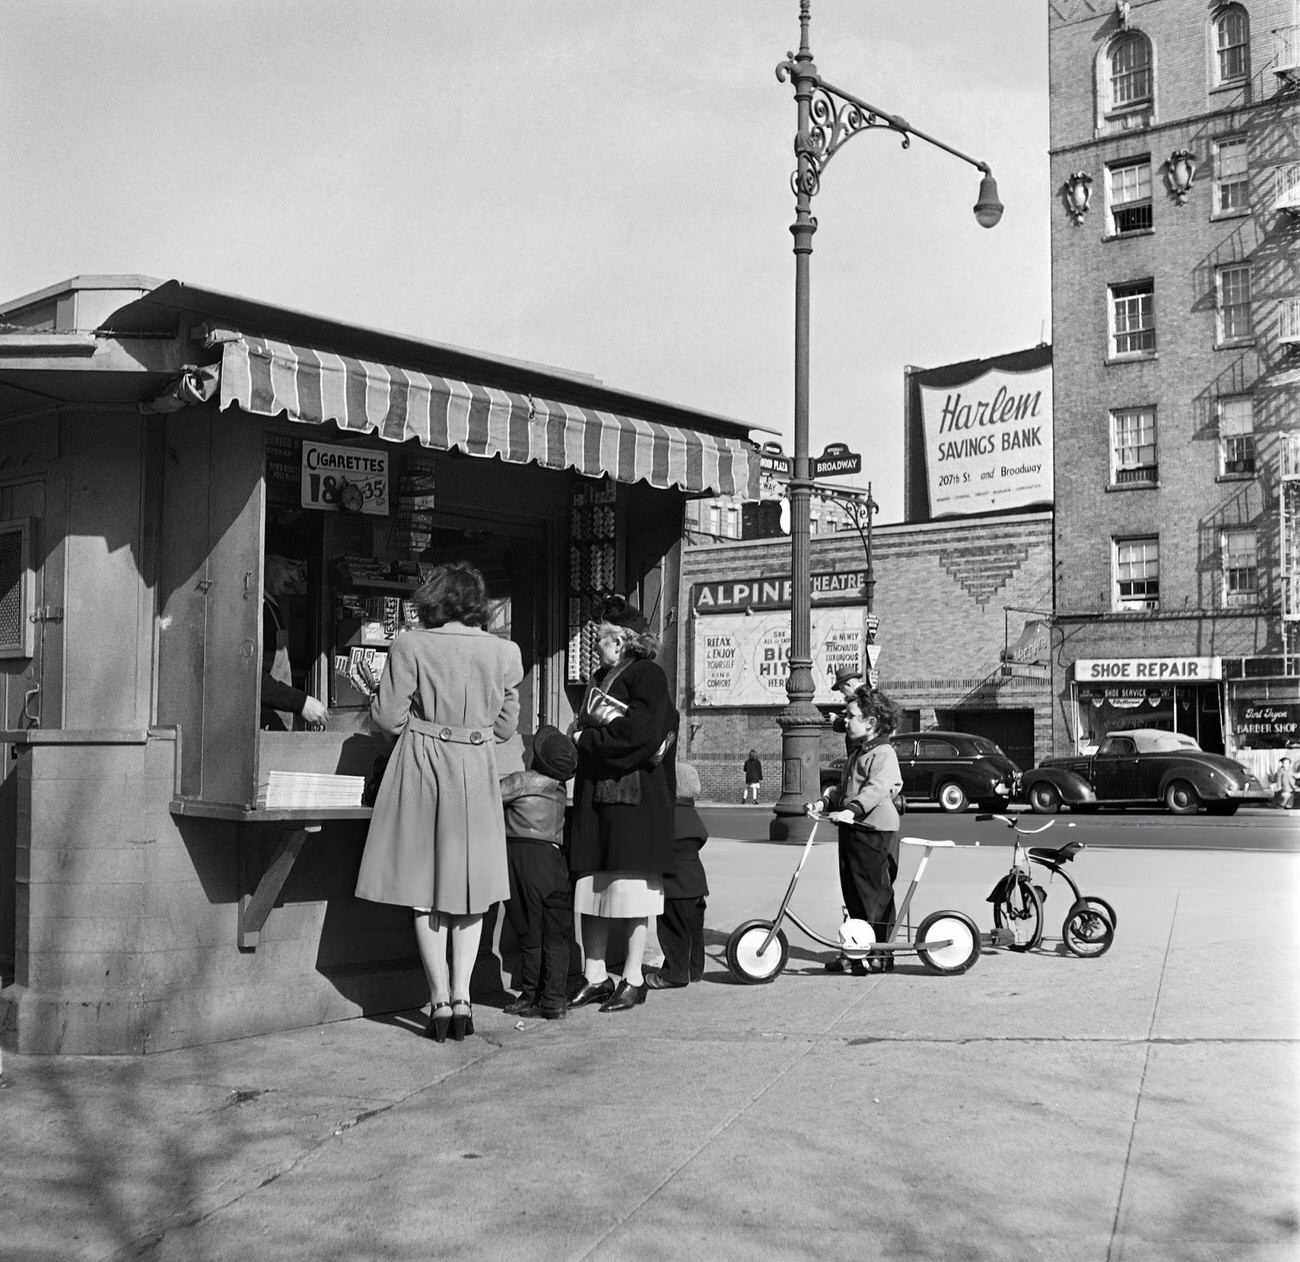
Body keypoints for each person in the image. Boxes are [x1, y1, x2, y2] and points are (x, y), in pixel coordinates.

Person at [354, 561, 524, 1043]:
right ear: (476, 603)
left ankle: (440, 1000)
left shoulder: (410, 644)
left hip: (423, 767)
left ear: (434, 598)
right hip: (475, 768)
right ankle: (465, 998)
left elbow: (387, 718)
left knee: (425, 890)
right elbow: (507, 726)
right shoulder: (505, 652)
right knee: (470, 891)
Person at [567, 594, 677, 1013]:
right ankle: (595, 975)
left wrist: (587, 740)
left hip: (633, 802)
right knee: (591, 889)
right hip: (599, 798)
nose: (596, 644)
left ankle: (632, 977)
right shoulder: (601, 675)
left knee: (631, 893)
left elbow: (642, 735)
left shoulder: (648, 675)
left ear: (621, 640)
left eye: (601, 637)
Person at [811, 685, 904, 975]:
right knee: (853, 894)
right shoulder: (859, 752)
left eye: (851, 716)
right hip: (853, 827)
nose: (845, 721)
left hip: (873, 830)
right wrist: (826, 800)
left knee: (874, 895)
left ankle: (880, 954)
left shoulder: (884, 753)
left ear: (871, 722)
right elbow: (847, 789)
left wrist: (852, 810)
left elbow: (877, 788)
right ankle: (856, 950)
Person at [500, 726, 580, 1021]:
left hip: (523, 857)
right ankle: (554, 1000)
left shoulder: (522, 781)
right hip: (554, 859)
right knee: (556, 931)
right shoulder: (560, 789)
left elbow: (488, 797)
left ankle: (530, 993)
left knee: (529, 928)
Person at [647, 758, 709, 990]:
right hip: (696, 883)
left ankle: (675, 973)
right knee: (694, 930)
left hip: (675, 884)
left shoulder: (668, 815)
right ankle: (694, 969)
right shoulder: (691, 815)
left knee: (673, 930)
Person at [262, 554, 329, 731]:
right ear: (266, 560)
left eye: (300, 571)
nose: (294, 575)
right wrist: (301, 703)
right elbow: (253, 678)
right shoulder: (259, 609)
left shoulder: (273, 606)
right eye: (289, 565)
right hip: (263, 722)